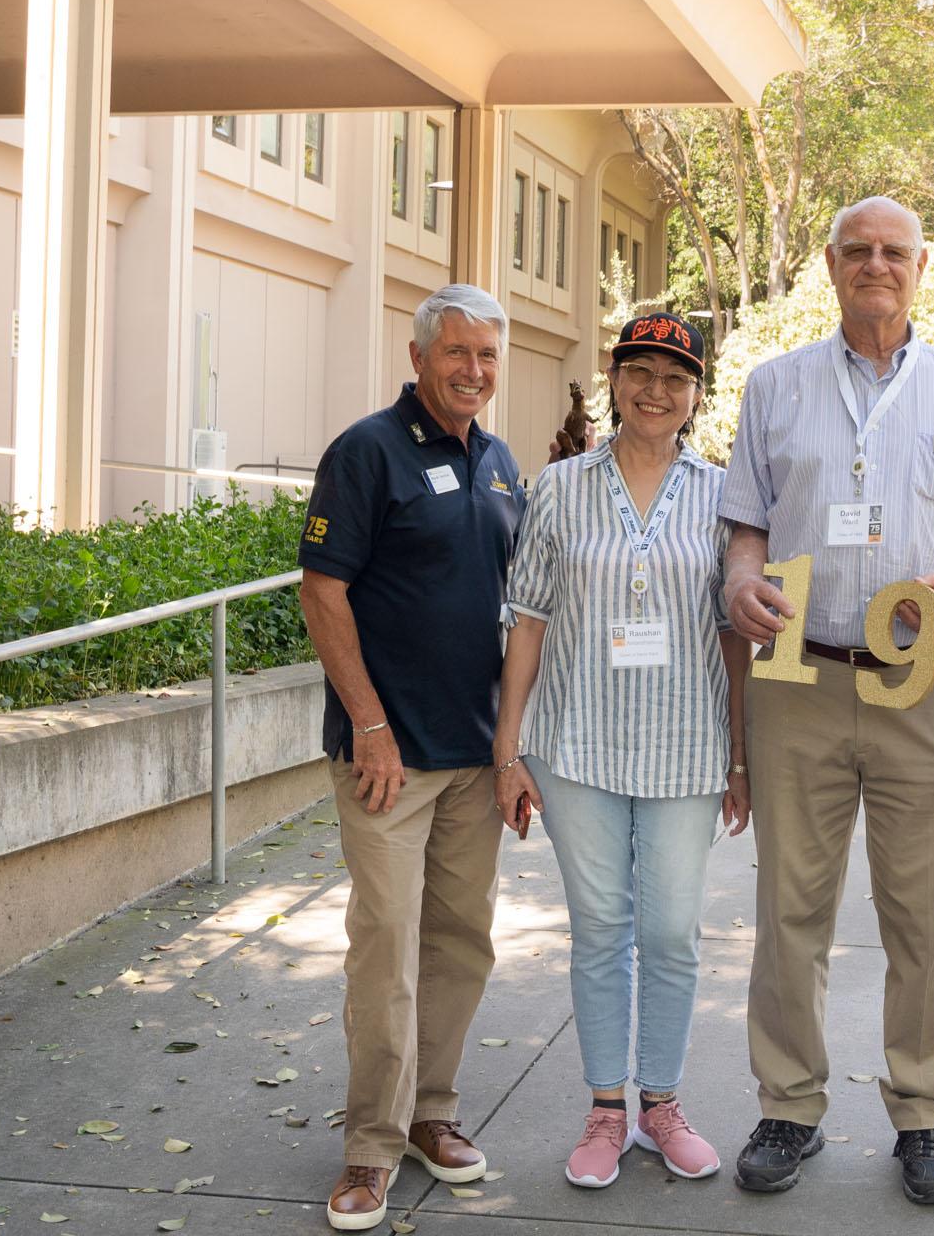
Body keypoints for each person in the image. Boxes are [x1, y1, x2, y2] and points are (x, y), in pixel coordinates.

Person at [721, 195, 934, 1204]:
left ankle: (925, 1112)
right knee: (790, 908)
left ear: (921, 267)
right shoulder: (774, 385)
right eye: (856, 250)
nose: (875, 264)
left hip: (929, 681)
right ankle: (787, 1103)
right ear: (828, 265)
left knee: (925, 915)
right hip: (798, 674)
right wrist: (741, 579)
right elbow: (745, 523)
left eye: (893, 252)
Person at [494, 312, 752, 1191]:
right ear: (613, 379)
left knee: (672, 934)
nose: (656, 390)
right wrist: (508, 750)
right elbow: (528, 620)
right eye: (640, 371)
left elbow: (733, 637)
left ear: (696, 394)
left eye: (675, 377)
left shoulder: (722, 495)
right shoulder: (561, 487)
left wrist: (740, 757)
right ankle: (607, 1109)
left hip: (686, 751)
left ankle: (662, 1105)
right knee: (601, 931)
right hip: (578, 749)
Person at [296, 284, 526, 1232]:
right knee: (386, 948)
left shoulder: (501, 463)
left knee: (461, 942)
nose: (473, 370)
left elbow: (520, 610)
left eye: (487, 356)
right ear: (419, 355)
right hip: (388, 759)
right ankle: (370, 1146)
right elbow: (322, 592)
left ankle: (433, 1112)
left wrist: (513, 750)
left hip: (475, 755)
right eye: (457, 352)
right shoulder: (366, 451)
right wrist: (370, 724)